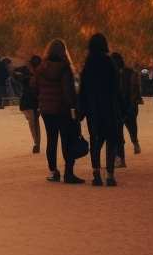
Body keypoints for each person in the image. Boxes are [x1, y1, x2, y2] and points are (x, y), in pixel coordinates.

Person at [36, 39, 85, 184]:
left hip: (46, 109)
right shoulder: (65, 68)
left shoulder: (41, 68)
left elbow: (34, 85)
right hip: (62, 109)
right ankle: (68, 173)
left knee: (51, 140)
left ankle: (53, 172)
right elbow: (68, 91)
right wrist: (74, 107)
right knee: (66, 140)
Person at [77, 34, 121, 187]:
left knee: (95, 141)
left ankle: (96, 174)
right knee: (111, 140)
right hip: (109, 107)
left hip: (93, 109)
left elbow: (82, 90)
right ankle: (110, 174)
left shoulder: (88, 64)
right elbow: (116, 87)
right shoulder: (109, 63)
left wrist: (82, 109)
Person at [112, 52, 142, 168]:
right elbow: (135, 89)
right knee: (130, 126)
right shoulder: (129, 73)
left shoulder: (119, 73)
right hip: (129, 105)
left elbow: (133, 89)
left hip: (124, 106)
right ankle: (134, 143)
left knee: (120, 132)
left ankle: (120, 158)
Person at [14, 55, 42, 153]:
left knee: (33, 122)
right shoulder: (26, 71)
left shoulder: (39, 72)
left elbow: (15, 74)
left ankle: (36, 143)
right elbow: (15, 74)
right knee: (34, 122)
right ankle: (36, 143)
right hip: (30, 100)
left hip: (33, 100)